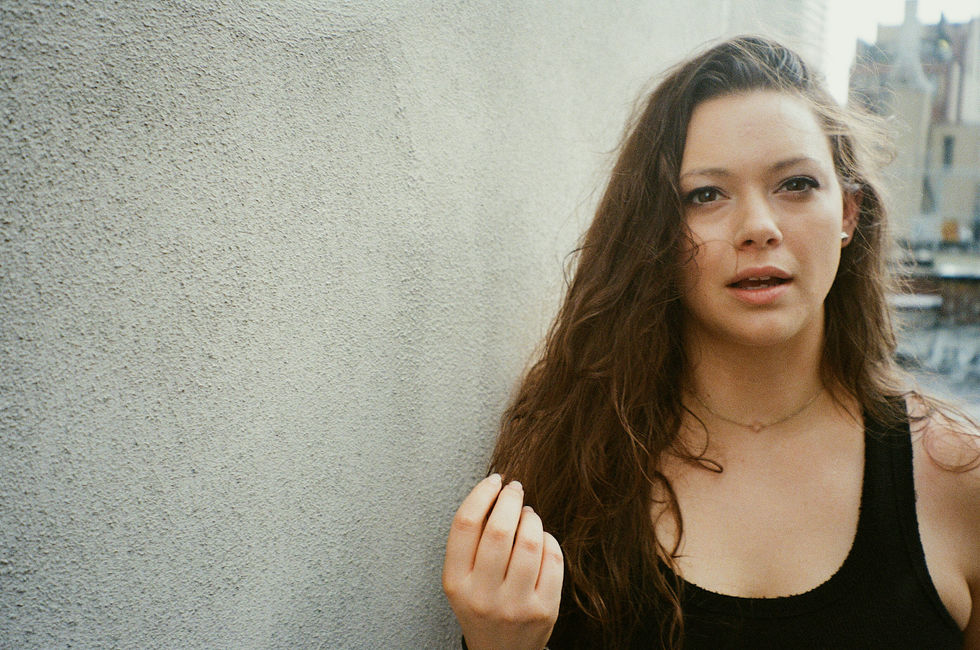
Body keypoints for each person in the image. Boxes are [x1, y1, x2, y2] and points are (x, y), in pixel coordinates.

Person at [442, 36, 980, 649]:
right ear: (656, 230)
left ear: (849, 213)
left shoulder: (958, 478)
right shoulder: (571, 459)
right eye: (706, 195)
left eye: (795, 184)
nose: (758, 227)